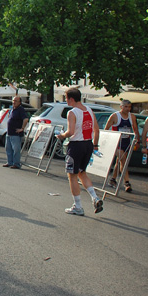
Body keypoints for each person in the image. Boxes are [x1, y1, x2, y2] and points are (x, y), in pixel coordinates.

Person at [57, 88, 103, 216]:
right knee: (82, 172)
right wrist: (95, 145)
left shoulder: (72, 112)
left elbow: (71, 132)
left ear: (71, 99)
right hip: (88, 144)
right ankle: (95, 197)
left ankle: (78, 206)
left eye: (66, 98)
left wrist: (62, 135)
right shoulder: (89, 109)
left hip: (76, 145)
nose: (66, 101)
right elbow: (96, 130)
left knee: (72, 175)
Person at [104, 99, 139, 193]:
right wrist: (108, 141)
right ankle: (127, 182)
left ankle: (113, 179)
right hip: (116, 142)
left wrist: (137, 141)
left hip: (126, 141)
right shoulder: (115, 116)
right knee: (123, 160)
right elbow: (106, 129)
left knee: (119, 161)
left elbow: (135, 129)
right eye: (126, 107)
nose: (128, 109)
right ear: (121, 107)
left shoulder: (132, 117)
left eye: (129, 107)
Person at [2, 96, 28, 169]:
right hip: (9, 132)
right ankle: (9, 162)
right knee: (8, 148)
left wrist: (22, 128)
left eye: (16, 101)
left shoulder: (21, 110)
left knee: (16, 149)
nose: (14, 102)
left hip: (16, 133)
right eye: (13, 100)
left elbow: (25, 119)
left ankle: (16, 163)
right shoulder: (12, 109)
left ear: (19, 102)